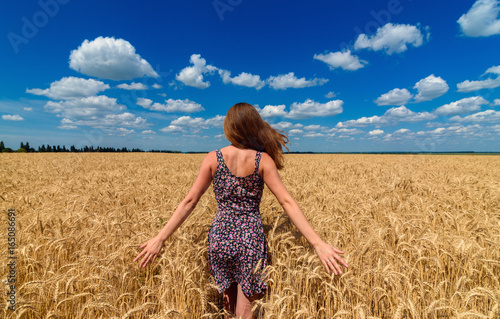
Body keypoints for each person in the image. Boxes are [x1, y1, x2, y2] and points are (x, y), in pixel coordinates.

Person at [134, 102, 348, 319]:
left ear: (230, 127)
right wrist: (318, 244)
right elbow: (287, 202)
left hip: (220, 239)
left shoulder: (213, 158)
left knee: (228, 309)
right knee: (246, 313)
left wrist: (160, 238)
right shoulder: (262, 160)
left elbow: (189, 201)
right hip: (250, 240)